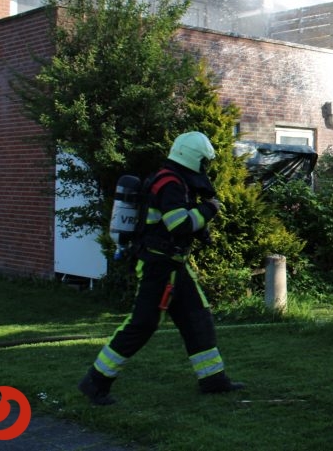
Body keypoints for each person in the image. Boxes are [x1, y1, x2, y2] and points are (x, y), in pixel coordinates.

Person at [78, 131, 244, 406]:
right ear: (194, 158)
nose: (206, 167)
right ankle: (95, 381)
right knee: (142, 324)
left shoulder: (176, 180)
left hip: (173, 265)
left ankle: (213, 380)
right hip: (158, 266)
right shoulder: (170, 183)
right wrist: (209, 210)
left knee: (198, 318)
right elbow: (178, 224)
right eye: (204, 161)